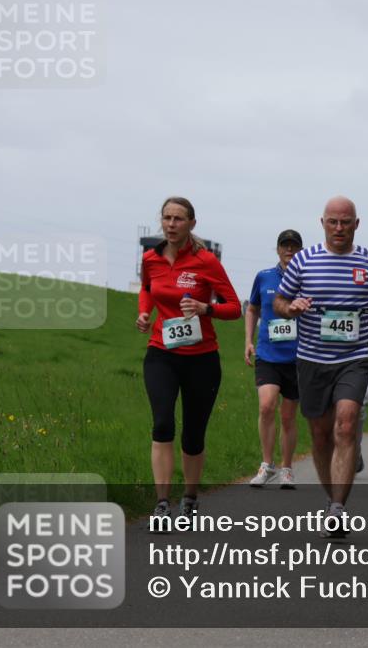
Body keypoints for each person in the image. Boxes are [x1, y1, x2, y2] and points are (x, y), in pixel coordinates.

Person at [273, 196, 368, 538]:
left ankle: (338, 508)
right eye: (333, 222)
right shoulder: (304, 261)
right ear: (322, 223)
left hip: (353, 360)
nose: (339, 228)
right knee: (320, 434)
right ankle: (331, 498)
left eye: (346, 222)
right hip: (312, 359)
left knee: (345, 425)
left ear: (357, 224)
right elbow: (279, 301)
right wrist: (291, 307)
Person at [136, 197, 241, 523]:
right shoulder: (150, 259)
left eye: (178, 219)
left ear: (191, 223)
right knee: (163, 423)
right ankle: (163, 503)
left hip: (201, 359)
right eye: (166, 218)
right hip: (161, 354)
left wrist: (206, 308)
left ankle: (191, 497)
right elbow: (147, 289)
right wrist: (144, 312)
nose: (171, 224)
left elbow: (234, 307)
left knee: (193, 435)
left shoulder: (206, 261)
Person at [244, 229, 304, 489]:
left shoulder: (308, 278)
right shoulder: (264, 277)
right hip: (268, 353)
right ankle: (267, 465)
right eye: (284, 246)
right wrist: (248, 340)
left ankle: (287, 468)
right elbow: (253, 308)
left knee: (288, 416)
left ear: (300, 250)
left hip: (298, 357)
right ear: (278, 249)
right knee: (267, 406)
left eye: (293, 246)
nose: (289, 250)